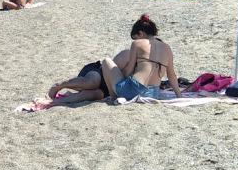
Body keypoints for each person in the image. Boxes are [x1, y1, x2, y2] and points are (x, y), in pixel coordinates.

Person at [44, 14, 181, 106]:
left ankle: (112, 95)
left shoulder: (137, 44)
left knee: (106, 61)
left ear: (141, 34)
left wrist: (119, 83)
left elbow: (127, 71)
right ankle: (58, 90)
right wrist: (179, 96)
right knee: (92, 85)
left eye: (135, 37)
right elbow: (172, 76)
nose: (135, 41)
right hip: (153, 92)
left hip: (130, 89)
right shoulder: (167, 48)